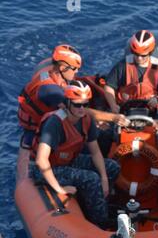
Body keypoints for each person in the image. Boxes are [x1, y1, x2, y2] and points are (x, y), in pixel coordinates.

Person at [16, 44, 127, 181]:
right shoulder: (52, 92)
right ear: (62, 68)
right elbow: (77, 108)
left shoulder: (53, 73)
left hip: (55, 118)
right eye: (75, 69)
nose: (76, 72)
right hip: (42, 131)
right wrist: (113, 117)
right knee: (97, 137)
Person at [28, 81, 120, 229]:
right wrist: (59, 189)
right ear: (66, 104)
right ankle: (100, 222)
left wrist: (104, 178)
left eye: (85, 104)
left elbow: (95, 151)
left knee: (112, 167)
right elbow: (41, 160)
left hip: (68, 160)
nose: (82, 108)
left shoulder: (86, 120)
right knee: (91, 178)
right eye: (77, 105)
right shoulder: (55, 123)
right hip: (48, 168)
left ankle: (98, 203)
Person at [103, 30, 158, 145]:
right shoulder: (122, 66)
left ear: (151, 52)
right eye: (135, 54)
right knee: (105, 132)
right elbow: (109, 87)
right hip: (124, 110)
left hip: (153, 110)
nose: (139, 58)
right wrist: (113, 105)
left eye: (143, 55)